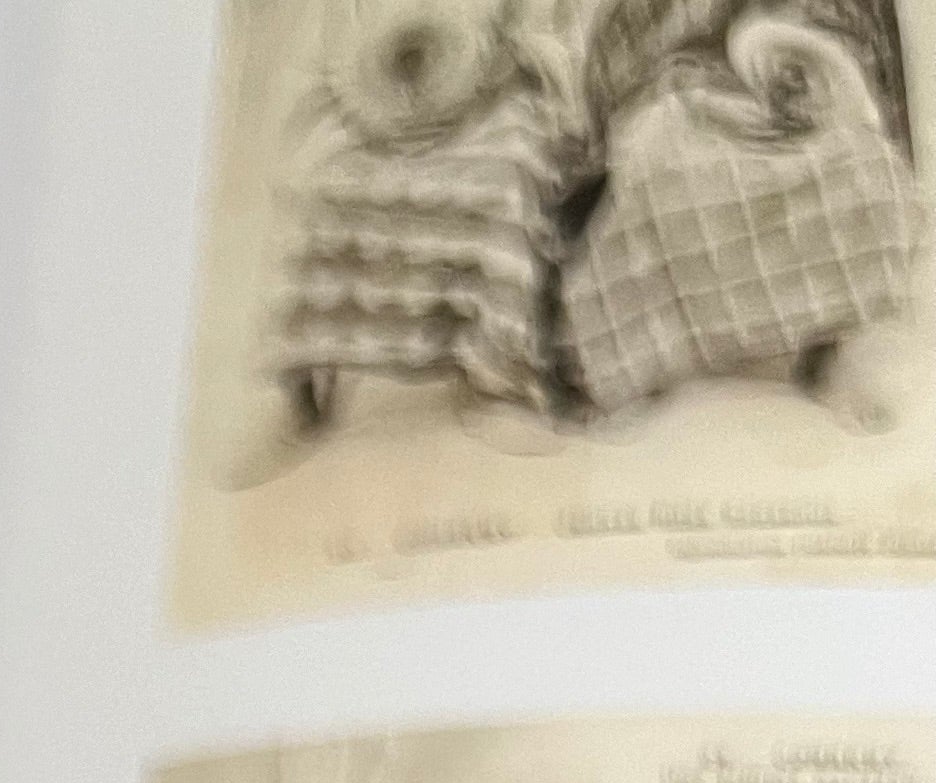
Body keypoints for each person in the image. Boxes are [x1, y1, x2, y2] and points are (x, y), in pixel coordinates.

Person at [242, 0, 583, 474]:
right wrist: (374, 90)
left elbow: (535, 29)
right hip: (373, 97)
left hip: (494, 95)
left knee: (504, 183)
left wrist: (484, 58)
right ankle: (298, 397)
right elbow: (339, 42)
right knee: (323, 188)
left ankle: (497, 385)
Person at [565, 10, 922, 430]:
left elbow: (854, 60)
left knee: (867, 171)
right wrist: (696, 80)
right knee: (658, 155)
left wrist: (802, 71)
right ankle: (638, 362)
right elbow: (641, 52)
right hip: (698, 102)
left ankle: (827, 353)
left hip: (806, 109)